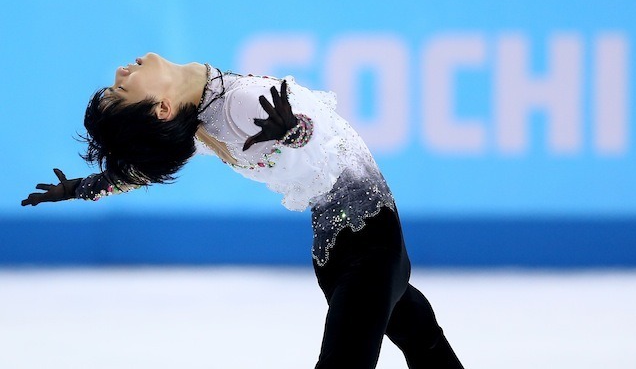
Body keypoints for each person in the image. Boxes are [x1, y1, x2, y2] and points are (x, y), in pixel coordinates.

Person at [22, 52, 464, 368]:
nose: (122, 70)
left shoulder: (204, 117)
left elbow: (306, 135)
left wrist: (86, 188)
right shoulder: (232, 108)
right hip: (359, 245)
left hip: (357, 241)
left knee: (418, 337)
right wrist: (295, 133)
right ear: (162, 108)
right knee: (420, 339)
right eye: (122, 87)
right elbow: (311, 137)